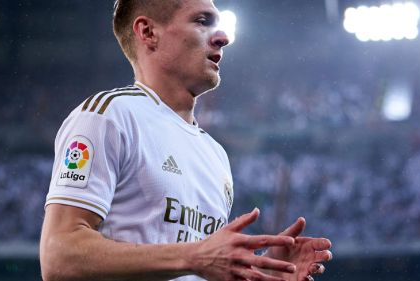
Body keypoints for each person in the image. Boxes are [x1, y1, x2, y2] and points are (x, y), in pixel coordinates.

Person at [39, 0, 332, 280]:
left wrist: (262, 273)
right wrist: (193, 256)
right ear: (148, 32)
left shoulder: (214, 153)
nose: (223, 37)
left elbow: (199, 268)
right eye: (202, 21)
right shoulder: (108, 116)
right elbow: (59, 256)